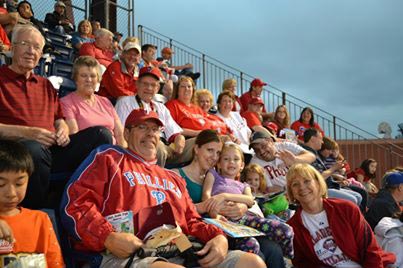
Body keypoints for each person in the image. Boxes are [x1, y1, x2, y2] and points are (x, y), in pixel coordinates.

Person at [60, 109, 265, 268]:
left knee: (252, 263)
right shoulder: (109, 158)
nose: (150, 134)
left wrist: (217, 237)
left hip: (181, 248)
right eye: (142, 127)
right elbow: (75, 205)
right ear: (128, 132)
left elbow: (191, 220)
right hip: (127, 252)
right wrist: (107, 236)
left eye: (155, 129)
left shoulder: (172, 178)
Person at [0, 25, 112, 208]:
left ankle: (88, 202)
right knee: (34, 148)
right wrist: (28, 133)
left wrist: (62, 130)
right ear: (12, 47)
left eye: (36, 47)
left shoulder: (46, 85)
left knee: (102, 135)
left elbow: (59, 119)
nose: (31, 51)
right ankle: (37, 210)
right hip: (14, 150)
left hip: (51, 150)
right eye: (25, 44)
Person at [173, 130, 286, 268]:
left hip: (232, 224)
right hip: (205, 230)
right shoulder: (175, 175)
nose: (214, 157)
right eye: (210, 150)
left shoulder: (218, 177)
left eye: (218, 153)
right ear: (196, 149)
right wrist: (209, 207)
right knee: (258, 255)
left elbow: (247, 198)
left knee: (273, 249)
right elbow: (175, 211)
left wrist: (243, 207)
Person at [286, 163, 396, 267]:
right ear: (291, 192)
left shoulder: (346, 209)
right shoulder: (292, 228)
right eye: (295, 184)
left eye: (306, 181)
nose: (302, 187)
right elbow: (302, 264)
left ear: (318, 183)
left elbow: (370, 249)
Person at [202, 142, 294, 258]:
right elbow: (206, 195)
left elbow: (250, 200)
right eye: (226, 159)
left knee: (286, 230)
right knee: (252, 245)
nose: (231, 162)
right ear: (219, 164)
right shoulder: (213, 174)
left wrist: (225, 196)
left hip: (243, 220)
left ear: (242, 165)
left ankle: (288, 259)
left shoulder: (244, 185)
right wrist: (213, 213)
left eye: (236, 159)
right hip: (222, 221)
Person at [0, 140, 64, 267]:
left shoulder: (41, 220)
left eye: (19, 183)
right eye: (1, 184)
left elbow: (55, 263)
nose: (11, 193)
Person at [115, 66, 194, 167]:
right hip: (142, 147)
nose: (149, 88)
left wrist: (180, 139)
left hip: (168, 148)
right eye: (145, 84)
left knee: (203, 142)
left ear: (157, 88)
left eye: (153, 85)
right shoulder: (125, 102)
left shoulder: (160, 107)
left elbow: (175, 133)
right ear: (137, 84)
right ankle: (155, 179)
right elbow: (123, 135)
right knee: (157, 146)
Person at [60, 56, 126, 147]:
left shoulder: (105, 101)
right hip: (88, 155)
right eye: (83, 76)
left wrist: (123, 154)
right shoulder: (66, 102)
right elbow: (74, 137)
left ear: (98, 79)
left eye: (93, 76)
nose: (89, 80)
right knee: (103, 134)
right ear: (75, 78)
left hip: (112, 153)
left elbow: (119, 133)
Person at [302, 128, 366, 209]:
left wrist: (337, 180)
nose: (322, 142)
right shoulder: (308, 154)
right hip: (320, 190)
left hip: (328, 186)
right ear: (312, 139)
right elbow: (319, 177)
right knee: (353, 200)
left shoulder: (314, 153)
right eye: (320, 139)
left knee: (359, 196)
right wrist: (334, 168)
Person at [249, 131, 316, 193]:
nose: (261, 152)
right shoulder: (255, 163)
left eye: (263, 146)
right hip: (283, 198)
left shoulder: (285, 146)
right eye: (256, 150)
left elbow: (311, 156)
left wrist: (295, 160)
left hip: (305, 188)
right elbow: (267, 189)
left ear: (271, 141)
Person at [165, 76, 232, 137]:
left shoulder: (196, 108)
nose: (186, 89)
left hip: (208, 138)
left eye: (189, 86)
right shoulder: (172, 105)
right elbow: (172, 129)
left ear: (193, 90)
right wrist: (197, 133)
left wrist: (228, 133)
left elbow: (210, 122)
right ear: (177, 90)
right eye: (183, 86)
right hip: (190, 139)